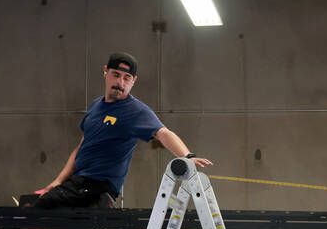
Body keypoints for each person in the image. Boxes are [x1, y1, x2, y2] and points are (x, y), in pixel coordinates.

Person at [34, 51, 212, 208]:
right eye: (116, 75)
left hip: (99, 186)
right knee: (36, 209)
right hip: (78, 183)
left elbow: (163, 133)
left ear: (133, 81)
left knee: (36, 211)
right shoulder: (95, 106)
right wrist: (58, 181)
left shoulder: (135, 111)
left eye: (126, 78)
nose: (120, 82)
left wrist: (188, 157)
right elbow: (81, 148)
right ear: (105, 72)